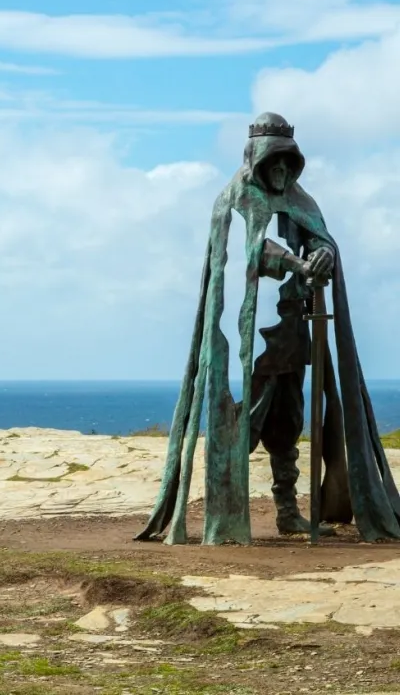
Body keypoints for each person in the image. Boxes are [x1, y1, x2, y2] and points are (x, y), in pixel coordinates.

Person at [135, 112, 400, 545]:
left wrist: (322, 256)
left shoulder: (302, 202)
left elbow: (320, 241)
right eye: (272, 163)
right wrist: (294, 262)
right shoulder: (235, 199)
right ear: (255, 161)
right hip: (246, 339)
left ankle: (288, 511)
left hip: (292, 333)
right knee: (242, 424)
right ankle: (226, 516)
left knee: (288, 423)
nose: (280, 171)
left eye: (286, 163)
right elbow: (249, 252)